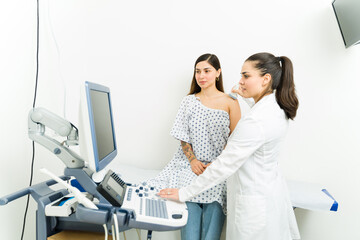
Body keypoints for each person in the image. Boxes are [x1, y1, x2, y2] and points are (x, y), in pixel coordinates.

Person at [159, 52, 301, 240]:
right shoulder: (273, 107)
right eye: (198, 71)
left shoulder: (253, 118)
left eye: (246, 76)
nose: (240, 80)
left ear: (266, 79)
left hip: (253, 202)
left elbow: (225, 163)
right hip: (267, 192)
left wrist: (184, 193)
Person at [147, 53, 241, 240]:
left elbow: (236, 140)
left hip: (219, 168)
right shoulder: (189, 101)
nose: (201, 76)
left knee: (216, 197)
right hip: (191, 165)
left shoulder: (231, 102)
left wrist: (217, 165)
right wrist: (193, 161)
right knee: (188, 199)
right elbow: (183, 137)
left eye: (207, 71)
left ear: (218, 73)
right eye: (198, 71)